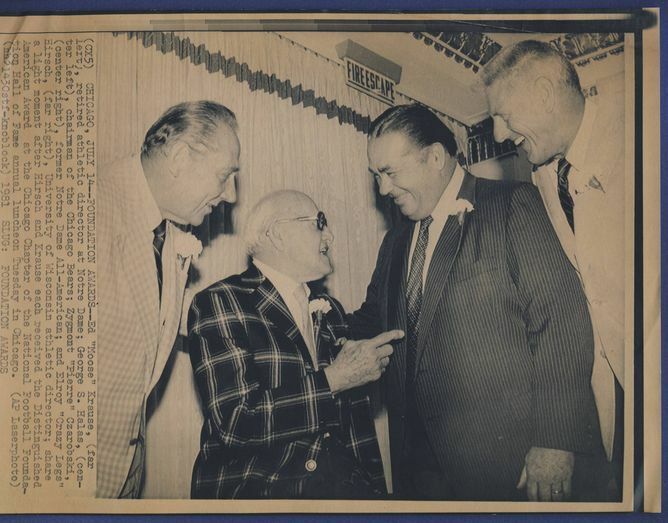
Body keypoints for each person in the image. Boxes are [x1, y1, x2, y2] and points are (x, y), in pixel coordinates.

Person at [349, 103, 603, 501]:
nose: (383, 189)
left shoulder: (511, 204)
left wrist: (555, 441)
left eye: (390, 173)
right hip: (419, 471)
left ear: (434, 157)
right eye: (376, 176)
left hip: (510, 466)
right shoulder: (395, 242)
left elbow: (562, 320)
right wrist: (302, 314)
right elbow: (371, 323)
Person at [187, 190, 403, 499]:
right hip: (262, 497)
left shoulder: (330, 309)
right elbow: (237, 422)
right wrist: (335, 380)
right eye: (318, 222)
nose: (330, 235)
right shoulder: (220, 302)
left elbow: (356, 429)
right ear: (278, 234)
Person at [481, 40, 624, 499]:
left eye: (503, 115)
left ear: (543, 92)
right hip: (617, 396)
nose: (500, 135)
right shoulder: (544, 173)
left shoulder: (644, 137)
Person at [97, 101, 240, 498]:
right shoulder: (87, 207)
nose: (230, 195)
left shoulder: (166, 232)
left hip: (124, 474)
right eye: (225, 176)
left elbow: (172, 318)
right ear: (179, 156)